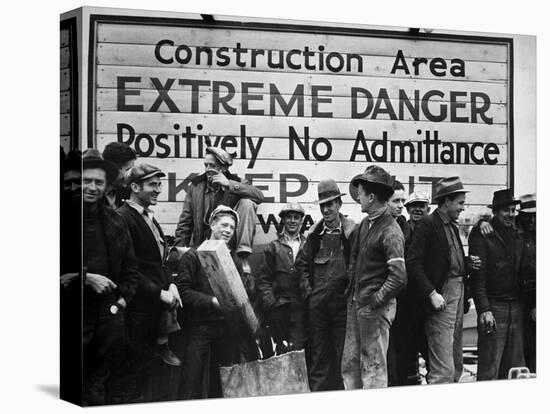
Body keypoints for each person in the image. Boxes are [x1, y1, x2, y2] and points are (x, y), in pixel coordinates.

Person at [175, 205, 259, 399]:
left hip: (226, 328)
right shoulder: (193, 255)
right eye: (224, 225)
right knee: (191, 380)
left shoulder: (234, 260)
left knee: (223, 384)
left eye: (232, 227)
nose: (228, 230)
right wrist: (211, 301)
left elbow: (240, 295)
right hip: (199, 327)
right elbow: (183, 291)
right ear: (213, 224)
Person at [116, 164, 182, 402]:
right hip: (137, 313)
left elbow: (157, 262)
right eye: (153, 185)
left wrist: (171, 285)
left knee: (147, 376)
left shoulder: (148, 217)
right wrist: (158, 293)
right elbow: (128, 268)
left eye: (159, 184)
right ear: (134, 187)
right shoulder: (124, 217)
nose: (158, 190)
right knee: (132, 380)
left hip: (152, 313)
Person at [406, 176, 480, 384]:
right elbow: (412, 264)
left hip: (457, 294)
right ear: (447, 201)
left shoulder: (452, 226)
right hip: (441, 297)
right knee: (443, 369)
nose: (462, 208)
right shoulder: (428, 225)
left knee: (456, 363)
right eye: (460, 203)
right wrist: (431, 294)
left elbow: (444, 260)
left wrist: (466, 262)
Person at [81, 148, 140, 405]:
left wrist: (123, 299)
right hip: (75, 313)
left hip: (108, 319)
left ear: (106, 187)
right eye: (86, 181)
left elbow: (130, 269)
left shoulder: (115, 222)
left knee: (99, 383)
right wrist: (85, 277)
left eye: (98, 182)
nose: (91, 187)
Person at [342, 165, 406, 389]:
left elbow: (399, 277)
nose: (357, 197)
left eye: (360, 193)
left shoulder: (390, 230)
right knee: (350, 366)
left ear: (371, 197)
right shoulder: (365, 225)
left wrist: (375, 302)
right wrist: (351, 294)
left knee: (373, 369)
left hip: (374, 310)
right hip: (357, 305)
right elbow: (354, 262)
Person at [296, 179, 356, 391]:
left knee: (344, 357)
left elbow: (360, 267)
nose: (326, 209)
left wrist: (351, 295)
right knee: (319, 358)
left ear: (340, 204)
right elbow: (301, 267)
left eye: (330, 204)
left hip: (343, 307)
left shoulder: (353, 232)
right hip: (318, 307)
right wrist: (309, 295)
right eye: (323, 205)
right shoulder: (313, 235)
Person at [173, 147, 264, 273]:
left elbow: (259, 196)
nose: (207, 169)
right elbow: (185, 220)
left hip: (229, 243)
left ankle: (243, 257)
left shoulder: (235, 182)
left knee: (248, 203)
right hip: (203, 243)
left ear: (224, 168)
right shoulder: (196, 185)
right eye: (206, 165)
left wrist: (229, 184)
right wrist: (180, 248)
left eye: (212, 166)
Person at [468, 189, 526, 380]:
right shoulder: (482, 235)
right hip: (494, 308)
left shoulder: (517, 234)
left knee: (516, 370)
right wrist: (484, 309)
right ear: (495, 212)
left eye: (513, 210)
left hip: (516, 308)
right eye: (506, 211)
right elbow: (478, 279)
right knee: (489, 370)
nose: (511, 215)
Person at [256, 202, 307, 355]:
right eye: (289, 217)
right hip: (279, 308)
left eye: (296, 217)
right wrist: (272, 305)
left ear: (301, 221)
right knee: (280, 352)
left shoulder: (308, 245)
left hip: (301, 309)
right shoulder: (273, 247)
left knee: (298, 351)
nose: (292, 221)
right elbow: (263, 281)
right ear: (283, 220)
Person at [517, 193, 536, 372]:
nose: (531, 220)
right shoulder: (514, 231)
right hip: (517, 298)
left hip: (534, 298)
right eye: (527, 215)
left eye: (535, 215)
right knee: (521, 348)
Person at [102, 142, 137, 208]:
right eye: (127, 170)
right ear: (113, 168)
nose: (130, 175)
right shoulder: (95, 190)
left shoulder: (128, 192)